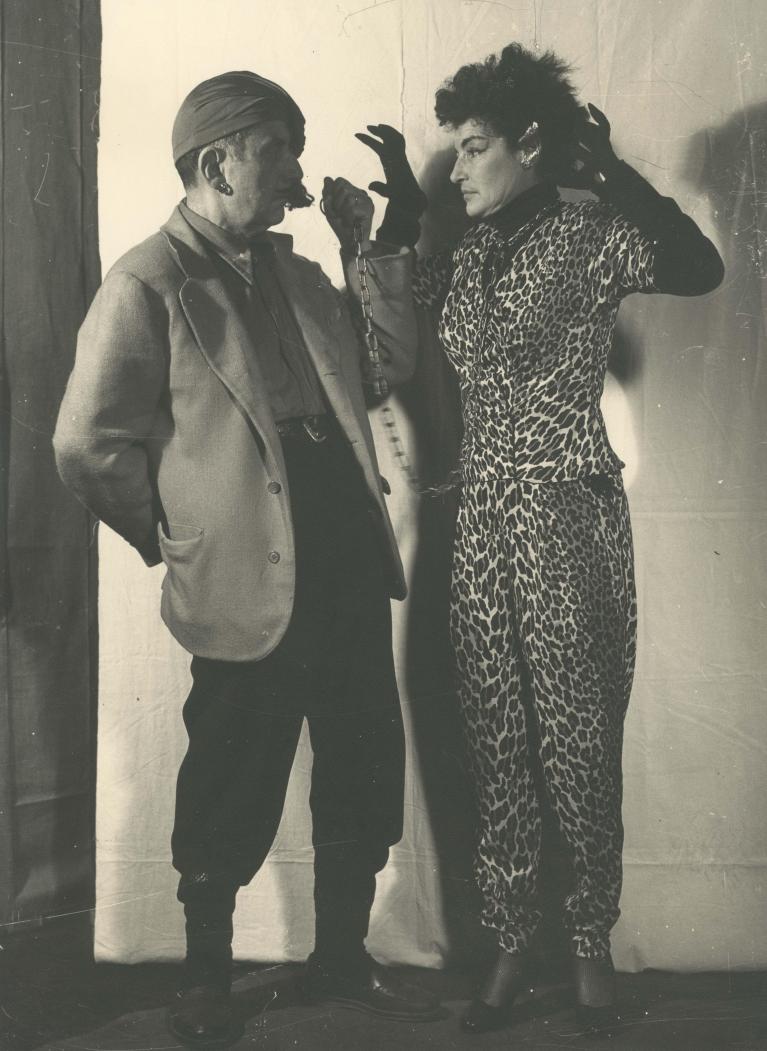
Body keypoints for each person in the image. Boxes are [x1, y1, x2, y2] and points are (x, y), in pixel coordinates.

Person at [53, 70, 442, 1048]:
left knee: (360, 751)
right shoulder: (146, 281)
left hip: (342, 542)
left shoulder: (299, 272)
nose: (296, 172)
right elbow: (86, 442)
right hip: (239, 564)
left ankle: (340, 957)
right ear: (217, 162)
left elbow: (386, 366)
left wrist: (365, 247)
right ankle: (206, 982)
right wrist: (177, 533)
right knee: (232, 767)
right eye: (278, 150)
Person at [359, 43, 724, 1035]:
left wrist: (612, 173)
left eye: (474, 147)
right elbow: (409, 310)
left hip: (566, 514)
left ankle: (588, 943)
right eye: (454, 151)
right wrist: (403, 197)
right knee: (494, 738)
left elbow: (698, 268)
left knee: (575, 739)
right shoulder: (471, 250)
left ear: (529, 141)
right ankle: (512, 943)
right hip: (477, 519)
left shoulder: (592, 232)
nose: (459, 167)